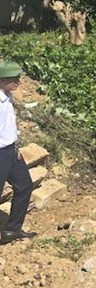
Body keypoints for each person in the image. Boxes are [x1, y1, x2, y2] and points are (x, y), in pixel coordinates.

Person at [0, 61, 35, 245]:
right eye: (14, 79)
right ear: (2, 80)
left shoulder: (7, 96)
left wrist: (15, 147)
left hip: (11, 152)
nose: (19, 82)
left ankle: (12, 230)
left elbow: (8, 126)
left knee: (24, 185)